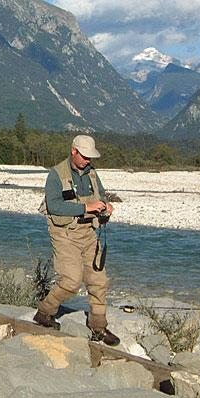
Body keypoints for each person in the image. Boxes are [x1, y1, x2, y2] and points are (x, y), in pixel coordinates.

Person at [33, 134, 120, 346]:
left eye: (91, 157)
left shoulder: (92, 174)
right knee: (71, 281)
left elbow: (102, 197)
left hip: (89, 232)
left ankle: (98, 327)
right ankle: (45, 312)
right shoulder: (55, 175)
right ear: (74, 151)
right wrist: (85, 208)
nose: (88, 160)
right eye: (85, 156)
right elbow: (54, 206)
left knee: (99, 281)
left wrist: (106, 207)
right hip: (65, 233)